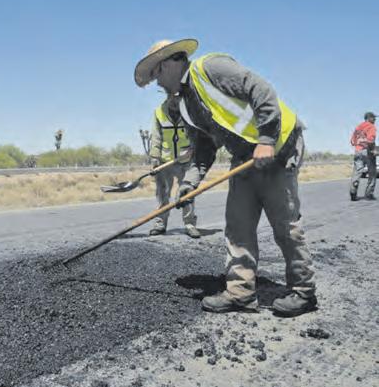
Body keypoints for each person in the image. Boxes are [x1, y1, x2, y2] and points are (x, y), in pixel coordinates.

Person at [134, 39, 317, 317]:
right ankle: (240, 293)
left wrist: (266, 139)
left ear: (168, 64)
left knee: (284, 224)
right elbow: (204, 148)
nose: (157, 83)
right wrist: (189, 183)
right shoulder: (185, 104)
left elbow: (261, 90)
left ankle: (303, 292)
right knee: (238, 225)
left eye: (156, 74)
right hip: (244, 157)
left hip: (279, 146)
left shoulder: (210, 68)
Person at [149, 98, 200, 238]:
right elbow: (156, 137)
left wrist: (194, 148)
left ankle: (189, 224)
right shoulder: (159, 112)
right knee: (162, 193)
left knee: (187, 192)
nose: (175, 99)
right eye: (172, 96)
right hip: (165, 160)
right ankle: (160, 224)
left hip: (186, 160)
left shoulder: (189, 111)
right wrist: (155, 159)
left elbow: (197, 132)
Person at [350, 112, 377, 201]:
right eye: (373, 118)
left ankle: (353, 190)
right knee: (372, 173)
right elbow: (371, 140)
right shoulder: (371, 126)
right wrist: (373, 150)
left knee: (357, 172)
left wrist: (359, 144)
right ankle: (369, 193)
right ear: (368, 118)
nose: (375, 119)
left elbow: (352, 141)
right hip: (368, 151)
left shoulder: (358, 127)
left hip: (358, 151)